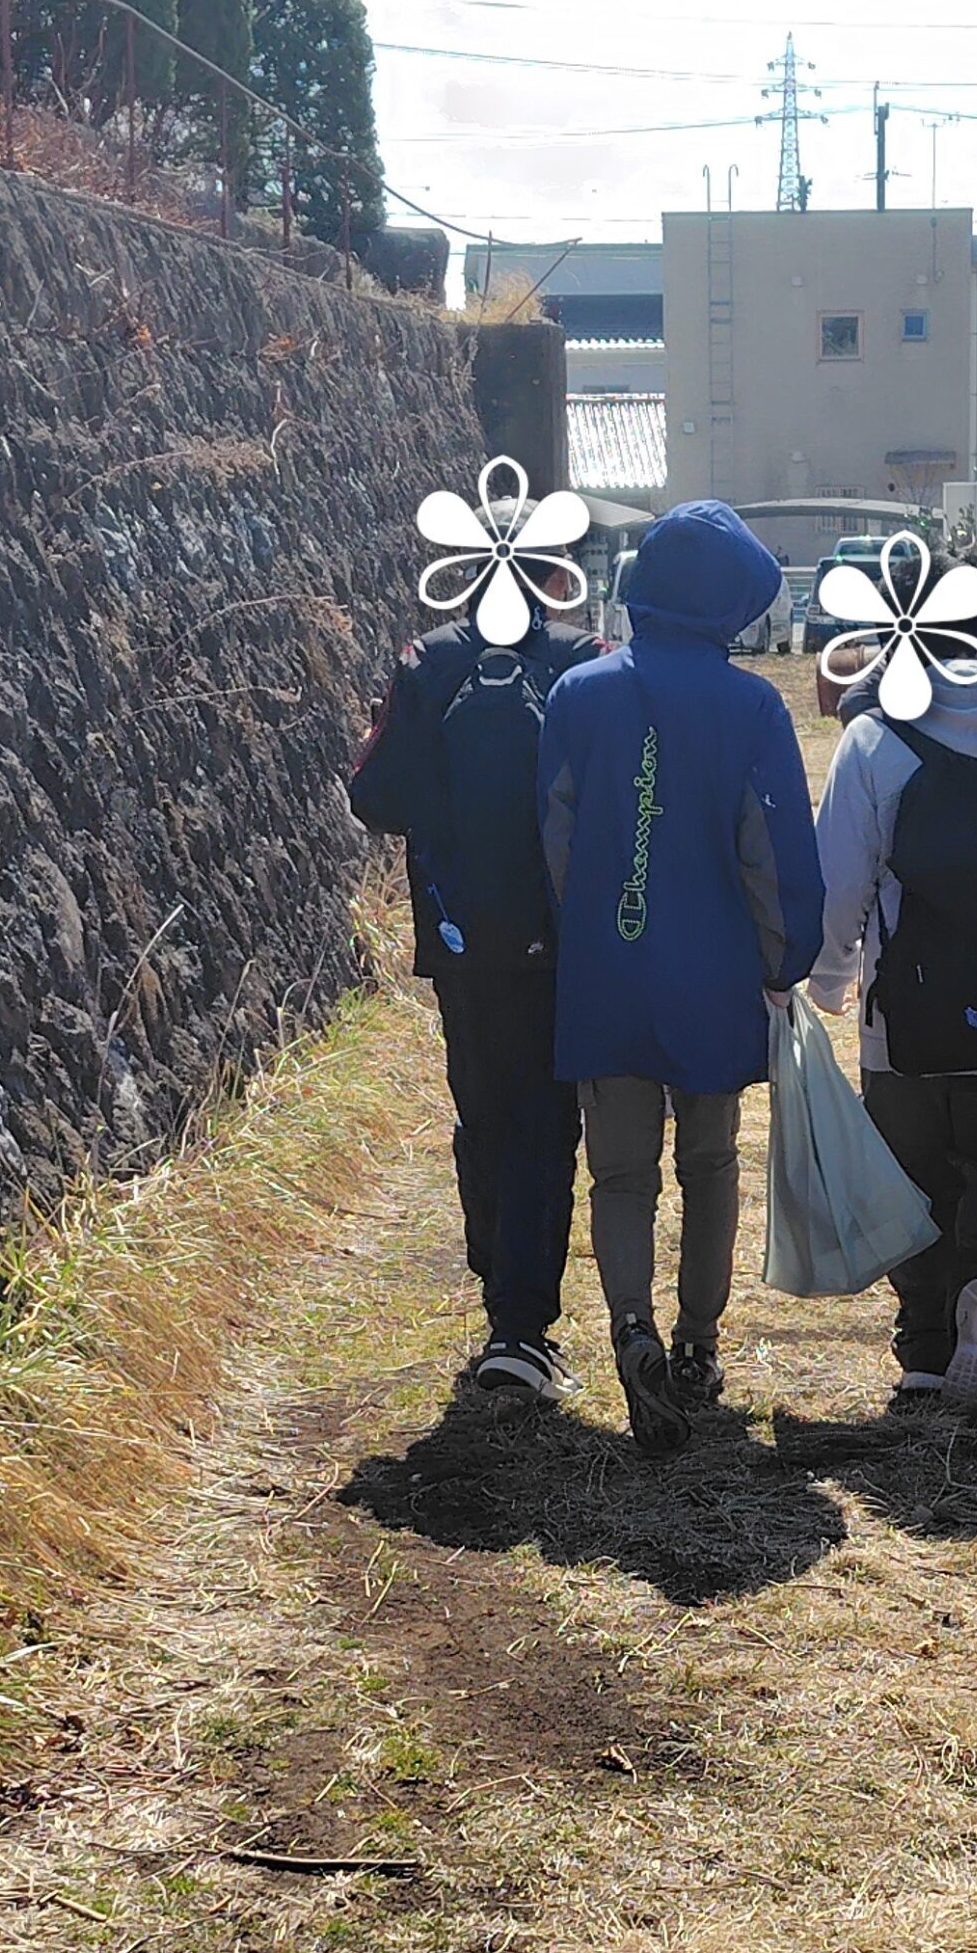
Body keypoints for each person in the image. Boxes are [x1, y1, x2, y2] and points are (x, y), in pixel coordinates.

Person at [537, 502, 825, 1452]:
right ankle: (698, 1347)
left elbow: (558, 841)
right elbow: (772, 853)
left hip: (606, 970)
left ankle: (632, 1328)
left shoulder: (577, 694)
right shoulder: (751, 708)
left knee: (619, 1173)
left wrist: (587, 930)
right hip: (714, 977)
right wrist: (783, 960)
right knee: (708, 1163)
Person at [808, 551, 977, 1416]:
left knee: (910, 1180)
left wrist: (831, 976)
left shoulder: (872, 741)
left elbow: (839, 884)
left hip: (902, 1023)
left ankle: (926, 1350)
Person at [349, 564, 603, 1405]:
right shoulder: (581, 659)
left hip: (456, 933)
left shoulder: (425, 660)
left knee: (483, 1110)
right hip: (555, 935)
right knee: (543, 1124)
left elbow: (375, 797)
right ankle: (519, 1329)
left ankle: (498, 1284)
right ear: (552, 576)